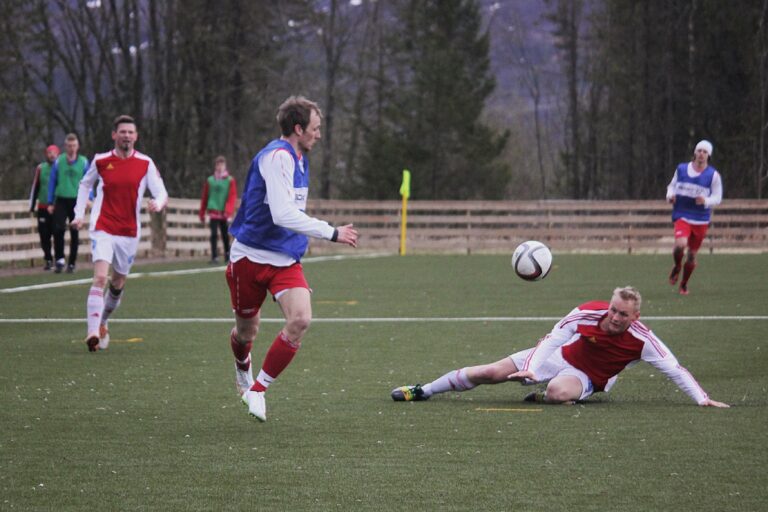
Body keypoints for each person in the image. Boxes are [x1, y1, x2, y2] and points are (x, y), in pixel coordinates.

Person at [226, 95, 358, 422]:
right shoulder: (277, 157)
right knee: (246, 332)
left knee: (300, 319)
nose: (319, 134)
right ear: (298, 128)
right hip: (250, 258)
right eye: (315, 128)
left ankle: (257, 390)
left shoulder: (301, 157)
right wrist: (331, 232)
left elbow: (291, 215)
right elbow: (284, 214)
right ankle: (243, 371)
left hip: (285, 259)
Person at [391, 286, 729, 408]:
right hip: (557, 357)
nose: (614, 317)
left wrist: (701, 398)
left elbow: (675, 369)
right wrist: (532, 367)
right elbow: (551, 338)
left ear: (634, 316)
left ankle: (546, 394)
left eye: (622, 314)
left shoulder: (643, 340)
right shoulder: (586, 313)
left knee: (556, 392)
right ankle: (423, 390)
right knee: (489, 372)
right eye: (613, 309)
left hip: (587, 376)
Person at [71, 115, 168, 352]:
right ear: (114, 135)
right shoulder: (101, 161)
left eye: (130, 132)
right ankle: (92, 331)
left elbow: (161, 192)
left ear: (136, 136)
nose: (126, 136)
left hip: (129, 231)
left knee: (118, 282)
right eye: (122, 132)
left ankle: (102, 322)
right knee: (101, 278)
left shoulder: (145, 163)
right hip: (103, 227)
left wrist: (158, 203)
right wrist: (79, 214)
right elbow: (85, 184)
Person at [665, 140, 723, 295]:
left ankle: (683, 284)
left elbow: (717, 197)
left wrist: (706, 201)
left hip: (700, 219)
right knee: (680, 245)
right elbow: (671, 186)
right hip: (682, 214)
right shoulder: (682, 169)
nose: (701, 154)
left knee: (691, 256)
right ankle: (677, 266)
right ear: (695, 153)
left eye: (705, 152)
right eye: (699, 151)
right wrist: (670, 196)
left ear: (708, 155)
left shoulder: (713, 176)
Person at [199, 155, 237, 263]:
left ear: (225, 166)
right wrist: (202, 212)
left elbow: (232, 196)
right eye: (218, 165)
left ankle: (227, 254)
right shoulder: (210, 180)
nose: (220, 167)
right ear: (215, 166)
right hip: (213, 212)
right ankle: (214, 256)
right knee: (214, 234)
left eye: (222, 165)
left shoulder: (230, 180)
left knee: (225, 234)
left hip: (224, 212)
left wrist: (228, 211)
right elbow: (205, 197)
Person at [28, 145, 60, 270]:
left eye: (54, 153)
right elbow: (35, 187)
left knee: (57, 234)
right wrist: (31, 206)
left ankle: (59, 259)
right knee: (44, 234)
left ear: (58, 154)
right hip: (42, 207)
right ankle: (47, 259)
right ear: (46, 154)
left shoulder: (60, 168)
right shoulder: (40, 168)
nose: (52, 155)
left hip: (57, 207)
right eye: (49, 153)